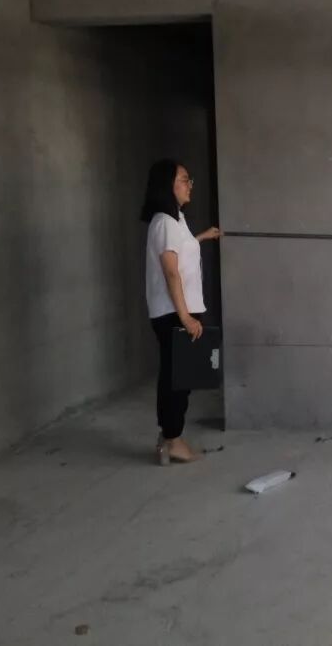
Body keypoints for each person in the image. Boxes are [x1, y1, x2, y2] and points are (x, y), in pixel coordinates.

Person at [139, 159, 222, 465]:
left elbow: (181, 251)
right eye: (184, 180)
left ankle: (170, 437)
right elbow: (171, 271)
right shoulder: (164, 222)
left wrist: (202, 237)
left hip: (180, 310)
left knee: (182, 377)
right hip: (175, 313)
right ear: (167, 185)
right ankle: (172, 439)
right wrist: (185, 317)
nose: (190, 185)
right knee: (177, 379)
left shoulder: (176, 220)